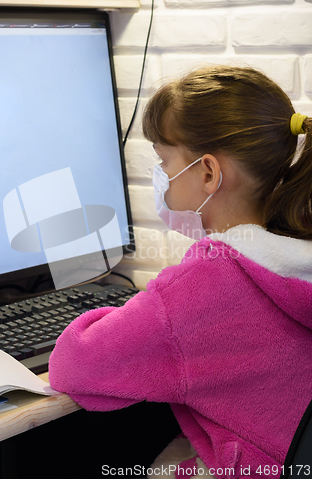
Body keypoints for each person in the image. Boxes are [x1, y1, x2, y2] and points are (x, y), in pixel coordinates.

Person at [48, 65, 312, 478]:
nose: (161, 178)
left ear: (208, 173)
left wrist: (138, 309)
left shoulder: (209, 282)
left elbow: (75, 365)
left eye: (163, 161)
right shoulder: (295, 259)